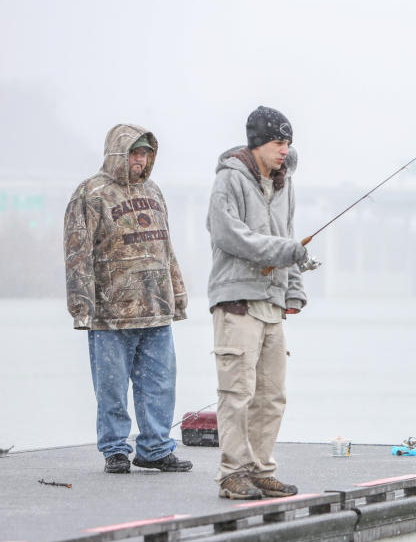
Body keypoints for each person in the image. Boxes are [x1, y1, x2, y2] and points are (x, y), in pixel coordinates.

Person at [64, 124, 193, 474]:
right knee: (111, 388)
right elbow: (77, 254)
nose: (140, 159)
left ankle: (154, 448)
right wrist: (81, 306)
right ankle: (115, 449)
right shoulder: (90, 193)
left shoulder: (154, 191)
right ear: (118, 153)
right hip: (111, 315)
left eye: (146, 153)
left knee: (161, 384)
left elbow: (166, 249)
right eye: (135, 152)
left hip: (156, 310)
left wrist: (177, 295)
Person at [207, 106, 320, 500]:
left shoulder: (285, 183)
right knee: (237, 393)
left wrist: (294, 290)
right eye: (277, 142)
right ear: (257, 143)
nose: (284, 151)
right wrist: (286, 251)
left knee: (271, 395)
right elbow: (229, 236)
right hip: (237, 301)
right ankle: (232, 474)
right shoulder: (230, 180)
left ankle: (259, 469)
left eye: (288, 143)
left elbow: (286, 236)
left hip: (272, 304)